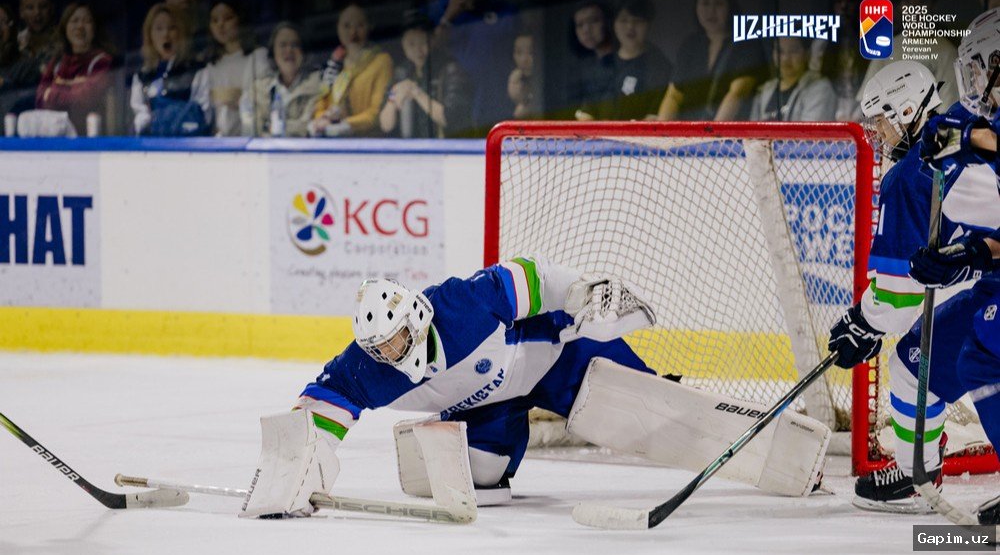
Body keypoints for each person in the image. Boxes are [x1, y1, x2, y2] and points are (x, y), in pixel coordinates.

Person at [237, 258, 833, 518]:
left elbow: (529, 276)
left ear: (415, 319)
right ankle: (496, 448)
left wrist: (581, 295)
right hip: (493, 405)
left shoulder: (458, 305)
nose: (390, 356)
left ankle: (792, 461)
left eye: (396, 342)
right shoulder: (367, 365)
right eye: (381, 350)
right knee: (482, 481)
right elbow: (320, 409)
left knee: (654, 409)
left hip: (556, 358)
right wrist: (296, 469)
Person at [826, 49, 1000, 520]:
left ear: (906, 112)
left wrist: (862, 323)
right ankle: (917, 471)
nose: (877, 136)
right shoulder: (969, 124)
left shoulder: (908, 176)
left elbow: (899, 297)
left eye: (881, 123)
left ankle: (916, 476)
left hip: (994, 287)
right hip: (991, 284)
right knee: (958, 363)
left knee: (922, 366)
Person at [657, 0, 765, 121]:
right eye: (705, 3)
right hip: (687, 135)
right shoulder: (691, 45)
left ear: (730, 6)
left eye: (718, 4)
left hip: (728, 136)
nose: (711, 11)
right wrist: (662, 133)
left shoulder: (747, 44)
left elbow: (738, 93)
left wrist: (711, 137)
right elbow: (673, 95)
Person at [428, 0, 517, 131]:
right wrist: (449, 16)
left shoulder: (503, 10)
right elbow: (426, 51)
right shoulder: (435, 10)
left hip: (496, 106)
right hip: (453, 110)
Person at [578, 0, 672, 121]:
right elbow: (586, 115)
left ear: (648, 24)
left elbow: (654, 119)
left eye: (637, 21)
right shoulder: (604, 63)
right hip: (599, 139)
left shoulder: (659, 66)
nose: (630, 27)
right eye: (623, 20)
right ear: (614, 24)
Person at [858, 0, 958, 110]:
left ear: (932, 6)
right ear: (900, 6)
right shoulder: (887, 48)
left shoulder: (946, 52)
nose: (914, 10)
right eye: (908, 3)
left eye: (921, 3)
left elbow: (948, 107)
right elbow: (867, 101)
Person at [379, 13, 471, 138]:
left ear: (432, 41)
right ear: (403, 45)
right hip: (412, 148)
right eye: (411, 44)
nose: (418, 50)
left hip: (446, 147)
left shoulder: (451, 70)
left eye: (423, 43)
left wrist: (416, 92)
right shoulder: (401, 73)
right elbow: (386, 125)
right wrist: (393, 97)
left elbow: (452, 119)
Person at [309, 3, 391, 138]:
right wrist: (323, 119)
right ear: (338, 29)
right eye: (347, 26)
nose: (353, 32)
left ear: (369, 27)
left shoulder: (381, 62)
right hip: (332, 141)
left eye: (359, 25)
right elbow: (320, 106)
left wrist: (343, 125)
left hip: (368, 141)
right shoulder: (333, 63)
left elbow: (376, 113)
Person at [130, 3, 210, 136]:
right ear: (150, 35)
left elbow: (204, 114)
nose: (166, 34)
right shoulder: (142, 76)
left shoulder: (198, 71)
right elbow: (140, 118)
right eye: (159, 28)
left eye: (172, 28)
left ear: (181, 33)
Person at [34, 3, 113, 135]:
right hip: (54, 138)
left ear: (94, 28)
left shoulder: (102, 61)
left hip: (87, 141)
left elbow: (84, 100)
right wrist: (74, 87)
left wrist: (53, 92)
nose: (80, 26)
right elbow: (39, 99)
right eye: (74, 21)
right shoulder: (57, 61)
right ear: (65, 27)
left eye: (86, 21)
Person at [239, 22, 318, 138]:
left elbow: (310, 127)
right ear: (273, 52)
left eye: (295, 45)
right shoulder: (258, 89)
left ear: (303, 51)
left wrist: (270, 127)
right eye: (283, 45)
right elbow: (251, 129)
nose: (289, 50)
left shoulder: (318, 84)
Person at [201, 0, 268, 136]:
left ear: (240, 20)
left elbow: (261, 99)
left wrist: (236, 98)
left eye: (227, 18)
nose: (221, 25)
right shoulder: (210, 64)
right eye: (215, 20)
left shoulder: (257, 56)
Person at [809, 0, 868, 121]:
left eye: (849, 1)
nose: (844, 7)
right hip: (828, 108)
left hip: (862, 108)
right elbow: (815, 82)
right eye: (838, 1)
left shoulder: (869, 42)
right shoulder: (821, 44)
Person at [750, 37, 836, 122]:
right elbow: (752, 131)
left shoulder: (820, 89)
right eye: (780, 51)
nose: (785, 59)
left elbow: (811, 133)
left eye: (793, 51)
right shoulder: (765, 90)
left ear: (807, 54)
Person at [565, 0, 615, 113]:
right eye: (580, 25)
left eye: (593, 21)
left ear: (607, 22)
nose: (586, 30)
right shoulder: (582, 68)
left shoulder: (623, 60)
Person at [0, 2, 40, 119]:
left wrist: (5, 84)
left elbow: (34, 97)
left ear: (12, 28)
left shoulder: (28, 66)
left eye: (3, 22)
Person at [17, 0, 57, 71]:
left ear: (52, 9)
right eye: (30, 7)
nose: (37, 12)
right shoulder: (15, 43)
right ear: (21, 12)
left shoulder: (66, 40)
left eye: (43, 6)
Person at [507, 30, 540, 119]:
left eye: (530, 52)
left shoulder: (543, 80)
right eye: (519, 52)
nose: (524, 59)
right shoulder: (513, 80)